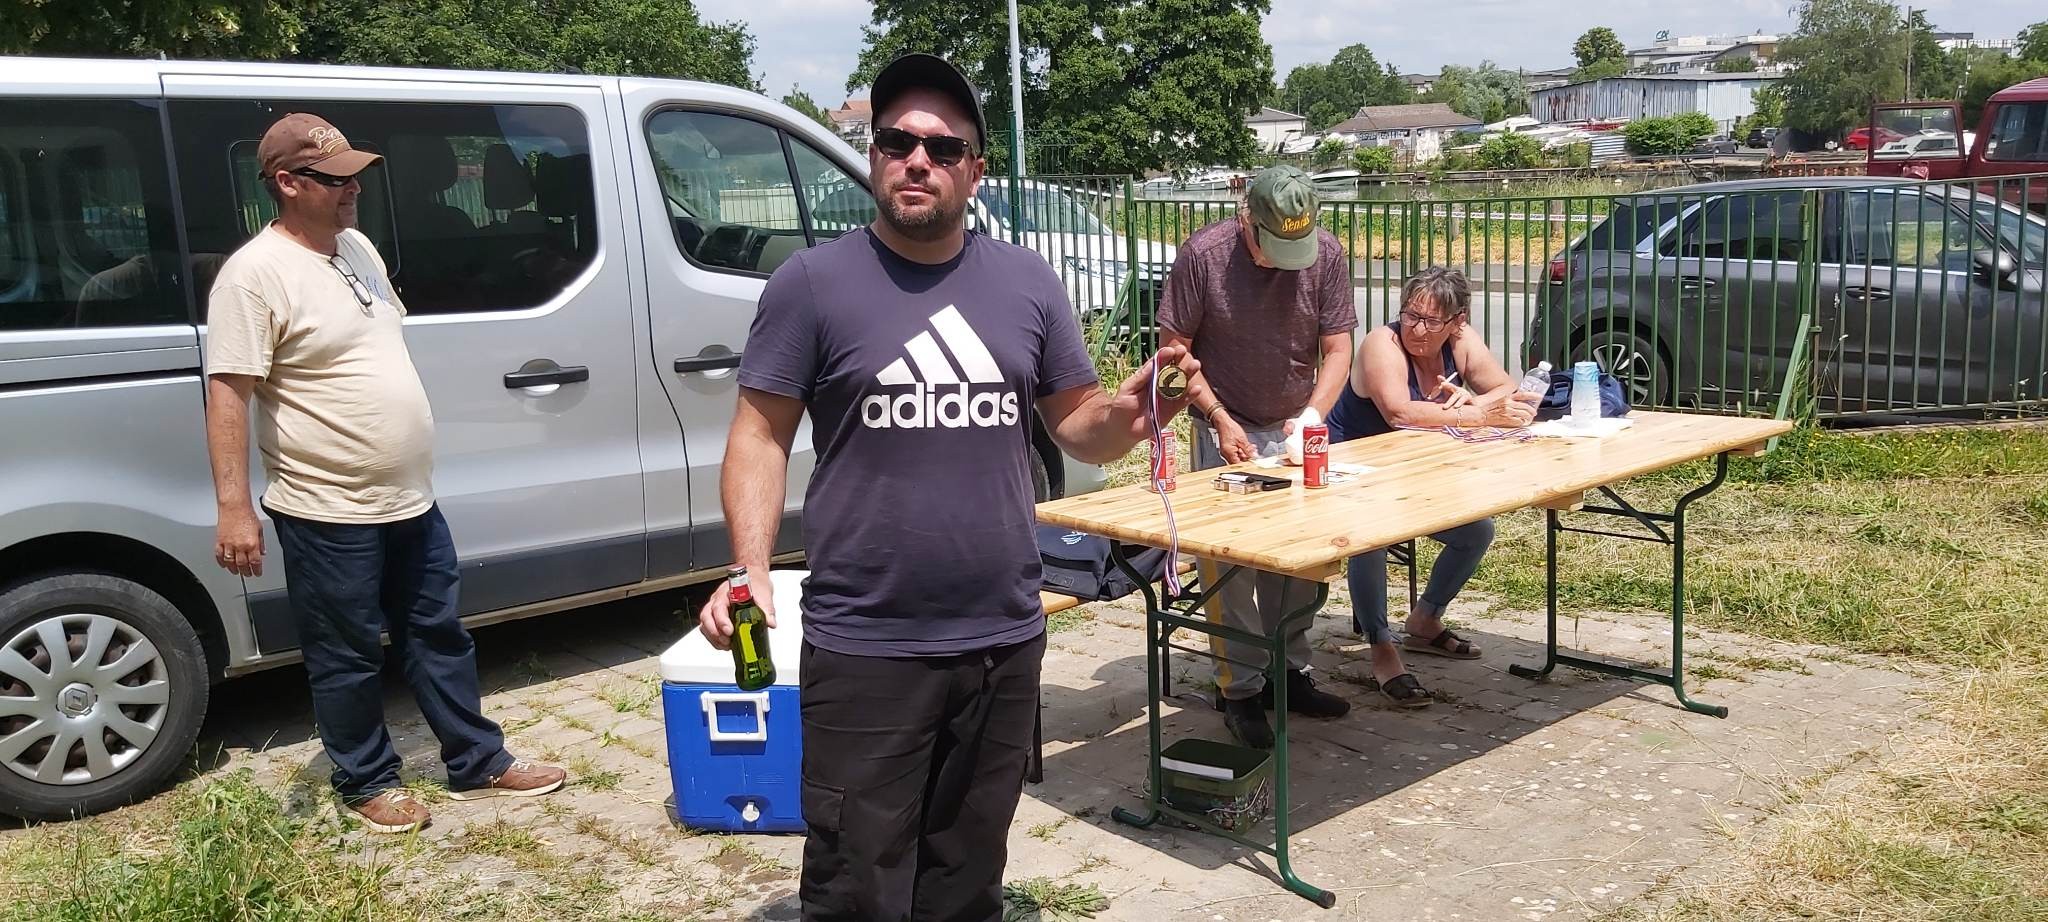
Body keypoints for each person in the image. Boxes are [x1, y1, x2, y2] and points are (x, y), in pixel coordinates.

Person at [694, 54, 1194, 922]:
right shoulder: (810, 285)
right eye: (897, 142)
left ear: (975, 169)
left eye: (942, 146)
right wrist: (750, 568)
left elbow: (1079, 425)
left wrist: (1134, 412)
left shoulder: (1027, 282)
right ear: (875, 157)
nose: (917, 160)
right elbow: (758, 435)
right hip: (866, 644)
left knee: (967, 879)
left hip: (1002, 638)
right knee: (857, 885)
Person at [204, 113, 565, 835]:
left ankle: (477, 759)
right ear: (287, 183)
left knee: (438, 633)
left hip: (409, 497)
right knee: (345, 655)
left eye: (356, 176)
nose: (354, 189)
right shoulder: (253, 275)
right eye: (335, 179)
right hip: (326, 506)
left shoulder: (356, 247)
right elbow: (228, 394)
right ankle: (367, 779)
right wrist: (234, 508)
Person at [1160, 165, 1357, 750]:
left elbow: (1338, 348)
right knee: (1229, 567)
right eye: (1271, 248)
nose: (1280, 263)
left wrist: (1315, 413)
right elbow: (1173, 353)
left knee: (1297, 561)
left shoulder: (1326, 253)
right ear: (1247, 220)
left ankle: (1289, 674)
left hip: (1297, 425)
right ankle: (1240, 691)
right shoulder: (1204, 256)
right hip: (1223, 425)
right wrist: (1218, 416)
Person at [1324, 267, 1536, 708]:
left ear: (1457, 322)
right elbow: (1400, 412)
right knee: (1371, 537)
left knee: (1476, 532)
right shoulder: (1382, 344)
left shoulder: (1462, 341)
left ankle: (1425, 620)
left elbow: (1505, 386)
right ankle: (1381, 645)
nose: (1417, 329)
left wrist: (1475, 400)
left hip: (1412, 472)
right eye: (1411, 315)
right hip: (1351, 472)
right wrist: (1475, 416)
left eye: (1431, 321)